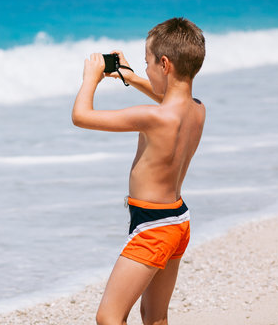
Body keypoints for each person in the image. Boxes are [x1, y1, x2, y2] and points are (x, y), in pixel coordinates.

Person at [71, 17, 206, 325]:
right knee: (154, 316)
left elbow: (81, 115)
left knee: (109, 317)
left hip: (153, 226)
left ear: (165, 64)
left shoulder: (153, 118)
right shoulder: (197, 109)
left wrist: (90, 77)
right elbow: (171, 99)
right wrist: (129, 76)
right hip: (177, 220)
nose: (146, 69)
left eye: (148, 63)